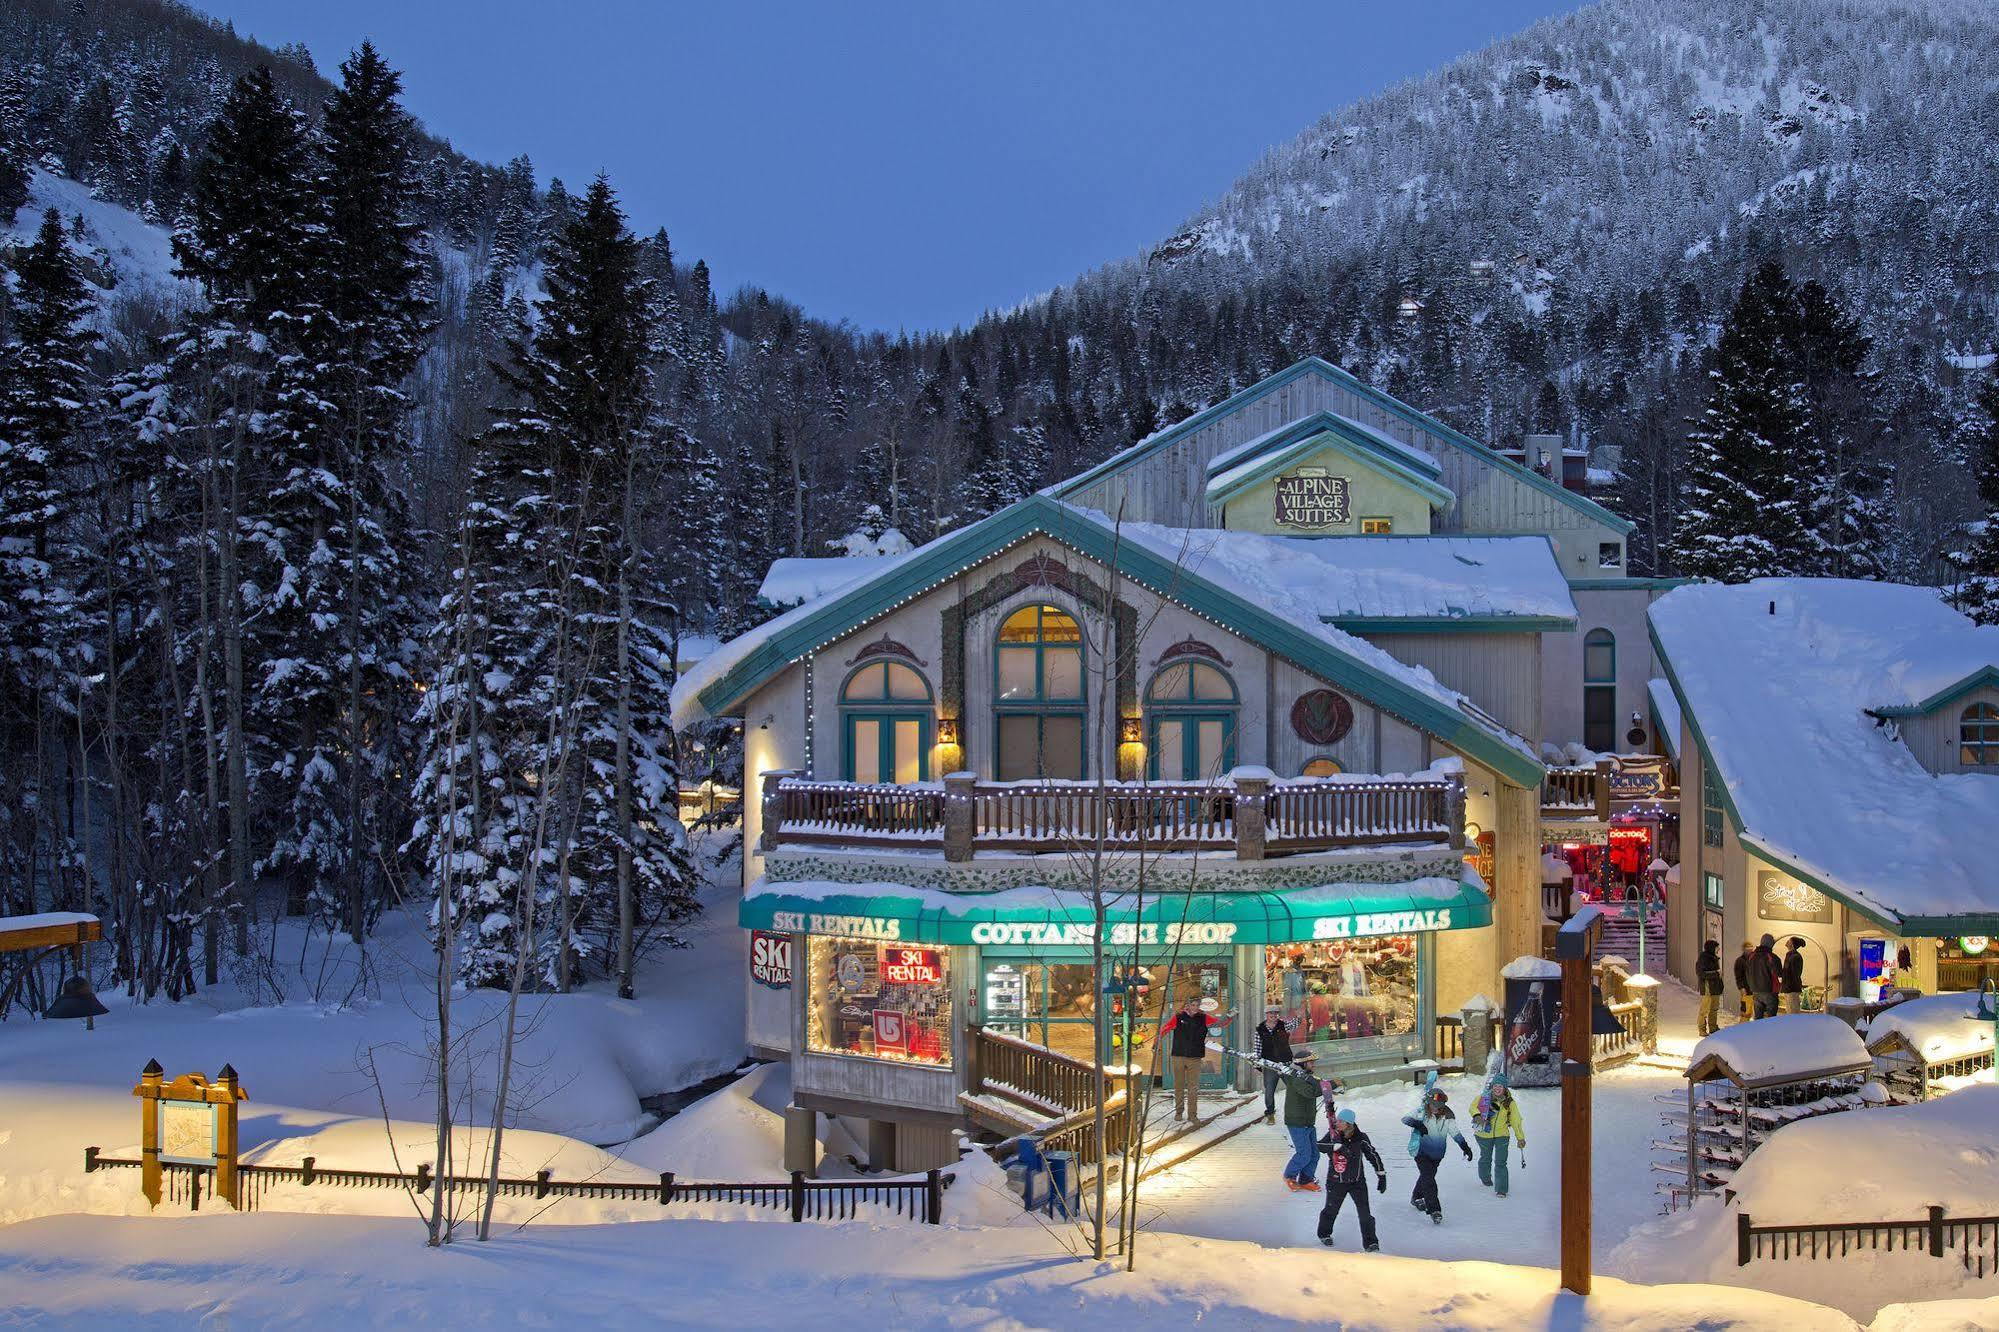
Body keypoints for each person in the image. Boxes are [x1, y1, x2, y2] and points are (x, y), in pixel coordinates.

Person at [1316, 1108, 1387, 1250]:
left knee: (1365, 1214)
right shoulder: (1333, 1136)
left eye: (1341, 1121)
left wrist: (1381, 1174)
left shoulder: (1360, 1138)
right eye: (1337, 1120)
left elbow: (1372, 1155)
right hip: (1336, 1182)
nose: (1337, 1122)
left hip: (1357, 1182)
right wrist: (1336, 1146)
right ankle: (1324, 1234)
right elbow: (1318, 1146)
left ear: (1349, 1123)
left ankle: (1371, 1243)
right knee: (1331, 1211)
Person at [1400, 1087, 1473, 1223]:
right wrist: (1418, 1125)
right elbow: (1405, 1119)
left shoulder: (1448, 1117)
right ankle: (1434, 1209)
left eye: (1439, 1106)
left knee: (1426, 1177)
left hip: (1437, 1155)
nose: (1435, 1108)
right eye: (1433, 1105)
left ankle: (1416, 1197)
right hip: (1421, 1152)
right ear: (1428, 1102)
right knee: (1429, 1180)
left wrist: (1465, 1146)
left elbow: (1455, 1132)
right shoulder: (1421, 1112)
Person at [1160, 996, 1237, 1122]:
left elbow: (1220, 1023)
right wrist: (1156, 1043)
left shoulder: (1203, 1018)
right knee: (1179, 1086)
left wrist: (1229, 1016)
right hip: (1178, 1056)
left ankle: (1192, 1115)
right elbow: (1165, 1028)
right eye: (1193, 1005)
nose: (1195, 1007)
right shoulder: (1178, 1017)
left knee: (1193, 1088)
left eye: (1197, 1005)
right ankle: (1179, 1112)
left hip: (1195, 1057)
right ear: (1188, 1005)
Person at [1276, 1051, 1325, 1192]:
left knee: (1314, 1154)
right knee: (1304, 1154)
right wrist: (1329, 1085)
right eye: (1311, 1062)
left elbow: (1315, 1087)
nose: (1313, 1065)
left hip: (1308, 1121)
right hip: (1297, 1122)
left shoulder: (1305, 1076)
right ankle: (1289, 1176)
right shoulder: (1295, 1078)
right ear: (1302, 1064)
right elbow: (1310, 1092)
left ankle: (1306, 1180)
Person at [1470, 1077, 1526, 1198]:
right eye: (1495, 1085)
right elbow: (1472, 1107)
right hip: (1483, 1134)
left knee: (1501, 1162)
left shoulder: (1509, 1102)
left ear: (1504, 1088)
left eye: (1500, 1086)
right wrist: (1477, 1115)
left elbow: (1516, 1120)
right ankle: (1485, 1178)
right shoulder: (1484, 1097)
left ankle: (1501, 1189)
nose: (1497, 1088)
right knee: (1485, 1157)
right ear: (1492, 1086)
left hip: (1502, 1135)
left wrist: (1520, 1137)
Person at [1254, 1011, 1294, 1124]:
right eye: (1270, 1013)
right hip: (1269, 1064)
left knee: (1293, 1088)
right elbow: (1257, 1048)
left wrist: (1299, 1015)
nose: (1273, 1015)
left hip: (1284, 1062)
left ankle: (1292, 1112)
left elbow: (1295, 1024)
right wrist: (1257, 1065)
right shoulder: (1260, 1029)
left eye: (1275, 1013)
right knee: (1269, 1090)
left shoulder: (1283, 1025)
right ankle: (1270, 1114)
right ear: (1266, 1015)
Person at [1746, 934, 1781, 1019]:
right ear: (1771, 944)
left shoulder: (1751, 956)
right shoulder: (1772, 957)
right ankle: (1770, 1032)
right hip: (1770, 991)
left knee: (1758, 1018)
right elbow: (1779, 974)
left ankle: (1758, 1032)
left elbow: (1747, 972)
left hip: (1755, 991)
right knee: (1771, 1019)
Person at [1696, 939, 1724, 1035]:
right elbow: (1701, 973)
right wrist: (1716, 973)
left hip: (1715, 988)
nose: (1718, 949)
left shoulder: (1714, 957)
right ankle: (1702, 1029)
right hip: (1707, 988)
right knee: (1705, 1009)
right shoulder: (1703, 958)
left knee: (1714, 1008)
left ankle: (1713, 1027)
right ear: (1712, 948)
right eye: (1717, 947)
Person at [1781, 938, 1806, 1013]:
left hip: (1792, 989)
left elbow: (1795, 974)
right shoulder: (1790, 955)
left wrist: (1788, 985)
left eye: (1788, 941)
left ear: (1792, 944)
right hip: (1788, 988)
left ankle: (1795, 1024)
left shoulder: (1795, 957)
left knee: (1793, 1011)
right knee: (1789, 1010)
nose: (1786, 942)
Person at [1733, 941, 1755, 1022]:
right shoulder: (1740, 961)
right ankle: (1742, 1028)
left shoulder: (1754, 959)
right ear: (1743, 949)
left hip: (1755, 990)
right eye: (1747, 948)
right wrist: (1741, 987)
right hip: (1746, 990)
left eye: (1751, 947)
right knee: (1745, 1011)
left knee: (1753, 1011)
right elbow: (1738, 976)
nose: (1750, 950)